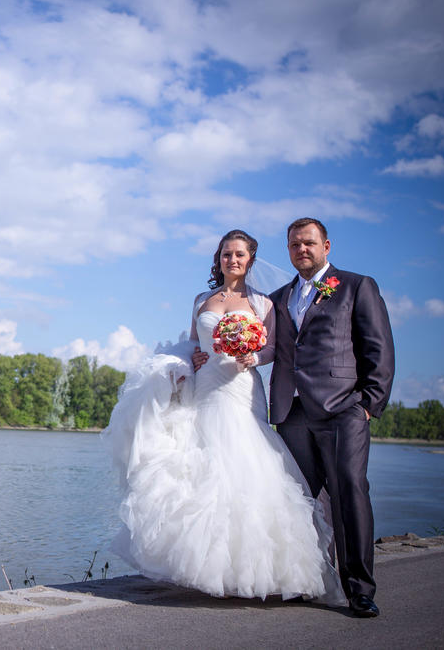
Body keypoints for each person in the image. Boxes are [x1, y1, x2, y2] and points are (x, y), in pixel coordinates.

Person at [104, 229, 345, 605]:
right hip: (206, 387)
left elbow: (273, 349)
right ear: (218, 259)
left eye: (239, 255)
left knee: (246, 466)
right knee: (203, 470)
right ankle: (211, 570)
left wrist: (254, 356)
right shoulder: (201, 300)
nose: (232, 260)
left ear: (250, 260)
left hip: (241, 389)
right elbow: (192, 342)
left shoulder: (263, 303)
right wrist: (192, 357)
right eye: (226, 254)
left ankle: (257, 571)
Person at [268, 218, 394, 618]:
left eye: (308, 243)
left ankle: (359, 590)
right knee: (300, 500)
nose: (301, 249)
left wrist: (369, 403)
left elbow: (378, 347)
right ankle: (308, 580)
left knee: (348, 493)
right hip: (291, 412)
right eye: (294, 244)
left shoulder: (356, 286)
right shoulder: (278, 297)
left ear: (326, 246)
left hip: (343, 409)